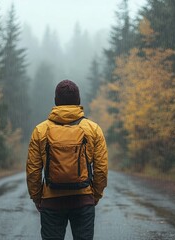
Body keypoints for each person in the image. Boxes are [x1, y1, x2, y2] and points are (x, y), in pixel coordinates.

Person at [26, 79, 108, 240]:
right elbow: (101, 169)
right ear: (78, 101)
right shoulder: (93, 129)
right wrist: (95, 195)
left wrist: (37, 197)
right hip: (83, 200)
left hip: (51, 201)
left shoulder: (40, 130)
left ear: (56, 102)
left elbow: (33, 170)